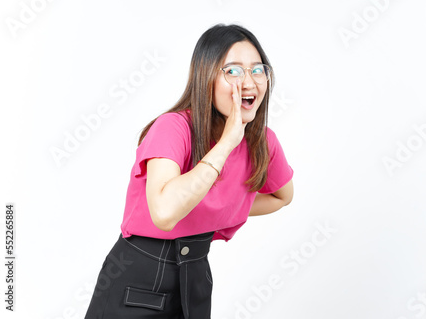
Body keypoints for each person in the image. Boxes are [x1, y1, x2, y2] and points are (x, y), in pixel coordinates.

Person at [84, 23, 294, 319]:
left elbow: (281, 197)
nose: (248, 82)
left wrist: (216, 208)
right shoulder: (173, 127)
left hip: (195, 275)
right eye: (232, 71)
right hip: (138, 275)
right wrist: (228, 142)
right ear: (205, 76)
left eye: (258, 70)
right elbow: (165, 212)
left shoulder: (263, 141)